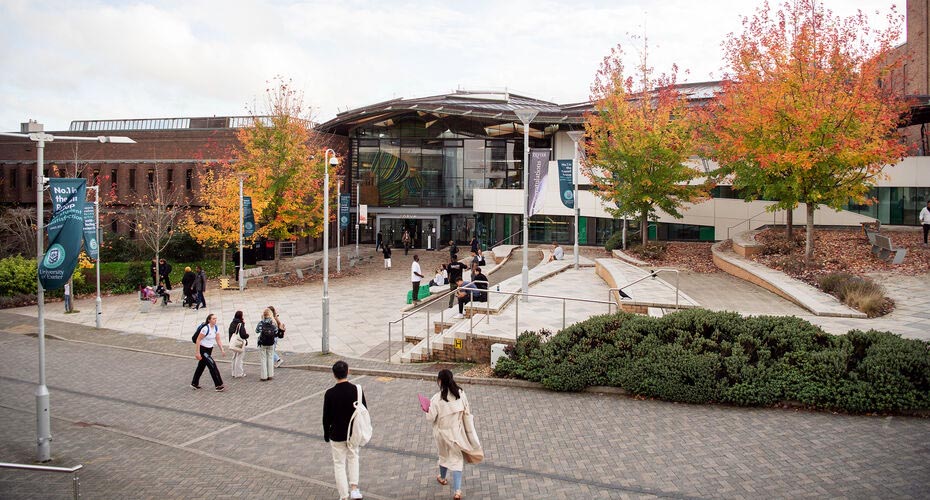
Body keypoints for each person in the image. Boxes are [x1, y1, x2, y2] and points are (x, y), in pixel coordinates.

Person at [425, 369, 476, 500]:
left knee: (443, 455)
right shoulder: (461, 393)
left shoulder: (437, 399)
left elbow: (430, 417)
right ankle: (457, 491)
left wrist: (426, 409)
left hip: (442, 434)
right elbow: (467, 410)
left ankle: (442, 477)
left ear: (440, 381)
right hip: (456, 433)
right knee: (457, 460)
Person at [323, 360, 367, 500]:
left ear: (334, 375)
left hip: (336, 434)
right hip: (353, 432)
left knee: (339, 464)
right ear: (348, 371)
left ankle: (344, 495)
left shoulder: (330, 394)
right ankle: (354, 488)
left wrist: (326, 433)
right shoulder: (357, 390)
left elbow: (326, 417)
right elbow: (364, 410)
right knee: (353, 458)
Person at [191, 313, 225, 392]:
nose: (215, 320)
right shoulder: (205, 329)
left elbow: (218, 339)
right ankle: (218, 385)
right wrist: (197, 353)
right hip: (203, 349)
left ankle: (194, 383)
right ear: (209, 320)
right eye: (213, 319)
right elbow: (198, 340)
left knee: (201, 366)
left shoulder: (216, 328)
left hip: (209, 349)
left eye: (216, 318)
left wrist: (222, 349)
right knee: (212, 365)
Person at [255, 308, 278, 381]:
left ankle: (264, 376)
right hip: (271, 343)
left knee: (263, 359)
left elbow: (256, 331)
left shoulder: (261, 322)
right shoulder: (273, 323)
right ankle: (270, 375)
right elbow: (276, 332)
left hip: (263, 342)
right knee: (270, 358)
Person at [228, 311, 248, 378]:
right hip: (238, 344)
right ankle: (239, 373)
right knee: (239, 358)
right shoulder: (240, 324)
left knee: (234, 357)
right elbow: (243, 335)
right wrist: (247, 335)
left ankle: (233, 372)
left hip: (233, 343)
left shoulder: (232, 323)